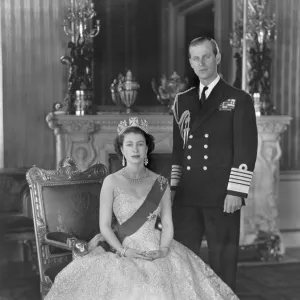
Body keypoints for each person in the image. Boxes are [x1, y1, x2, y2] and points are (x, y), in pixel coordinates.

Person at [45, 116, 239, 300]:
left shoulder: (160, 182)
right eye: (129, 144)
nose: (135, 149)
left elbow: (168, 224)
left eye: (140, 144)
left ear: (147, 148)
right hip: (121, 249)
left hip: (155, 247)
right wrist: (122, 251)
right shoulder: (111, 182)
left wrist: (163, 250)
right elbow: (104, 226)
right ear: (121, 149)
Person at [171, 37, 258, 291]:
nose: (202, 63)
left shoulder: (237, 99)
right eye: (196, 58)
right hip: (188, 194)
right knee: (184, 259)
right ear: (190, 62)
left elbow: (246, 149)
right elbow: (179, 149)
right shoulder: (182, 100)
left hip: (222, 194)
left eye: (207, 56)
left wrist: (237, 191)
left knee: (223, 261)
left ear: (217, 57)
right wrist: (174, 188)